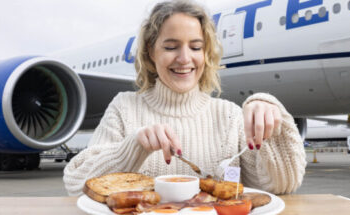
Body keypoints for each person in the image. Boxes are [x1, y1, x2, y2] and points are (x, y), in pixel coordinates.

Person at [63, 0, 306, 196]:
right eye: (171, 47)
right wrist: (133, 148)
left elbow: (280, 186)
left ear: (206, 52)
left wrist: (273, 118)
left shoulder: (230, 116)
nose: (184, 58)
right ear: (151, 51)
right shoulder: (124, 107)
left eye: (196, 47)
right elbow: (76, 185)